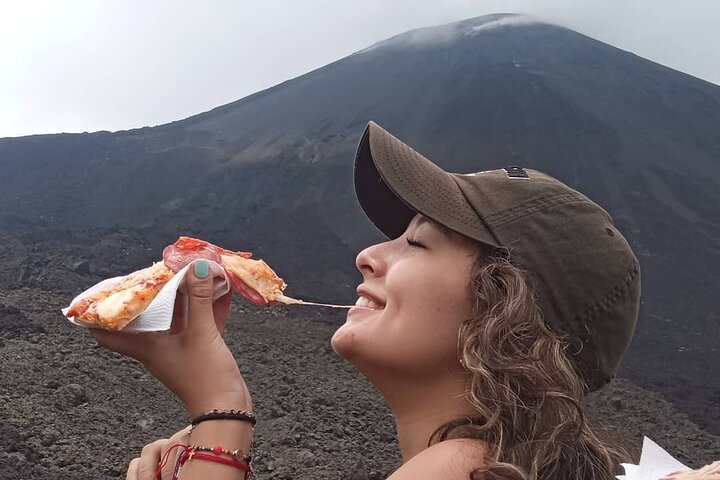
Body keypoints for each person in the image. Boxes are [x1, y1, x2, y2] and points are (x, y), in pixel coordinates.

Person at [93, 121, 696, 479]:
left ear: (505, 308)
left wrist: (219, 417)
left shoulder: (461, 469)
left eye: (419, 243)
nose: (368, 255)